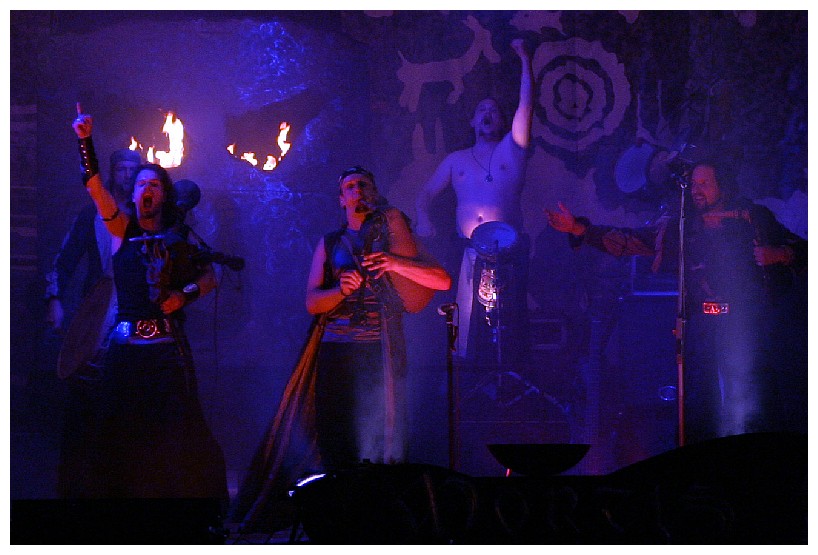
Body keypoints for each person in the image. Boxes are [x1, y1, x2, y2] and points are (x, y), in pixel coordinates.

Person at [231, 165, 451, 533]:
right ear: (341, 199)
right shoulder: (331, 243)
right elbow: (312, 303)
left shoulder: (396, 236)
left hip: (380, 351)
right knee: (337, 435)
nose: (358, 190)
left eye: (365, 184)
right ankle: (339, 522)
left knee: (382, 435)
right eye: (350, 186)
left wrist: (395, 262)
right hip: (337, 352)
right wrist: (341, 290)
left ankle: (377, 521)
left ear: (375, 192)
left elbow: (441, 280)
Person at [546, 159, 807, 445]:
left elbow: (803, 250)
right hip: (700, 325)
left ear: (723, 185)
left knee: (754, 396)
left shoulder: (752, 218)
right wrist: (578, 229)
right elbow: (631, 241)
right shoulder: (683, 225)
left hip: (747, 326)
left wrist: (780, 254)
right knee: (699, 399)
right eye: (694, 184)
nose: (697, 190)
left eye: (704, 184)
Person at [70, 105, 227, 502]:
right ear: (134, 193)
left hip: (168, 351)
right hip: (125, 351)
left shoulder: (179, 237)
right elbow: (95, 187)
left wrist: (183, 295)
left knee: (176, 432)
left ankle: (183, 510)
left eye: (154, 184)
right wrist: (85, 141)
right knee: (117, 431)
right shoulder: (120, 228)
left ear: (163, 194)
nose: (146, 189)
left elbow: (210, 277)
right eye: (141, 184)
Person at [415, 39, 533, 367]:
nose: (488, 114)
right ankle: (469, 378)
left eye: (494, 111)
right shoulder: (457, 160)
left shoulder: (513, 150)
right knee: (468, 325)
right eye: (482, 110)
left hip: (509, 252)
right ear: (472, 121)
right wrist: (423, 215)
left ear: (503, 121)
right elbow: (426, 193)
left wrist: (525, 58)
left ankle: (512, 376)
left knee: (509, 324)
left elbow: (526, 106)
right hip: (469, 250)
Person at [45, 147, 141, 498]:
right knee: (88, 380)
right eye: (121, 169)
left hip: (135, 307)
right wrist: (54, 299)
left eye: (132, 169)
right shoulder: (91, 216)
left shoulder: (146, 215)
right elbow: (65, 259)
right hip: (98, 304)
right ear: (113, 173)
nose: (126, 176)